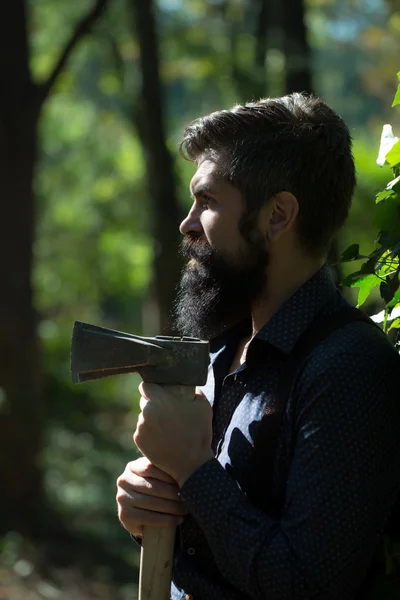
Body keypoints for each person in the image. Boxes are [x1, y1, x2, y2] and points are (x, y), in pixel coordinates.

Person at [116, 93, 400, 599]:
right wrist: (150, 505)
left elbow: (310, 584)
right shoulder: (221, 349)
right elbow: (210, 523)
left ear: (277, 216)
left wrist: (193, 469)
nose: (187, 223)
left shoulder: (349, 367)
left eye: (207, 201)